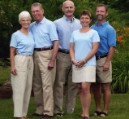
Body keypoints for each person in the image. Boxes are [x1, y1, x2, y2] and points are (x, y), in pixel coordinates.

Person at [30, 2, 59, 119]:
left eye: (37, 11)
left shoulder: (50, 24)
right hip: (35, 54)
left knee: (47, 85)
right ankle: (39, 109)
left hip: (47, 53)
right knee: (36, 85)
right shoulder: (31, 25)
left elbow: (56, 42)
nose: (36, 13)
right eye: (33, 12)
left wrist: (53, 59)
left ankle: (48, 112)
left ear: (43, 11)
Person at [70, 10, 100, 119]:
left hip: (88, 64)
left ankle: (86, 114)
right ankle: (83, 112)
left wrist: (84, 60)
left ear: (90, 20)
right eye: (82, 18)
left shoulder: (94, 33)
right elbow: (71, 48)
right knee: (80, 88)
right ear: (80, 20)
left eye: (87, 18)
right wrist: (73, 59)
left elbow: (95, 49)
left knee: (85, 86)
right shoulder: (74, 33)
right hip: (77, 63)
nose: (84, 20)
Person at [53, 0, 81, 116]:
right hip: (62, 55)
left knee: (73, 84)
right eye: (66, 7)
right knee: (59, 83)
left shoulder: (80, 23)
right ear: (62, 9)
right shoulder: (56, 23)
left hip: (76, 56)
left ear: (74, 8)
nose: (69, 9)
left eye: (71, 7)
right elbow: (54, 41)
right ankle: (58, 110)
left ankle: (70, 110)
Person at [91, 3, 116, 117]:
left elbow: (112, 47)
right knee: (95, 86)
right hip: (92, 60)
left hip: (103, 59)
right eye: (98, 11)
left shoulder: (109, 29)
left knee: (105, 86)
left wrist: (107, 62)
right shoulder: (92, 28)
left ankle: (105, 110)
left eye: (102, 11)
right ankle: (97, 108)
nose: (99, 13)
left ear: (106, 13)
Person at [10, 11, 34, 119]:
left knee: (28, 87)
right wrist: (12, 66)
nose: (26, 22)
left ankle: (24, 113)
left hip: (30, 60)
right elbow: (12, 51)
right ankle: (18, 114)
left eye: (28, 20)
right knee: (19, 88)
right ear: (20, 21)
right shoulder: (16, 35)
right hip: (20, 59)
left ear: (30, 20)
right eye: (23, 20)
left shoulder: (31, 34)